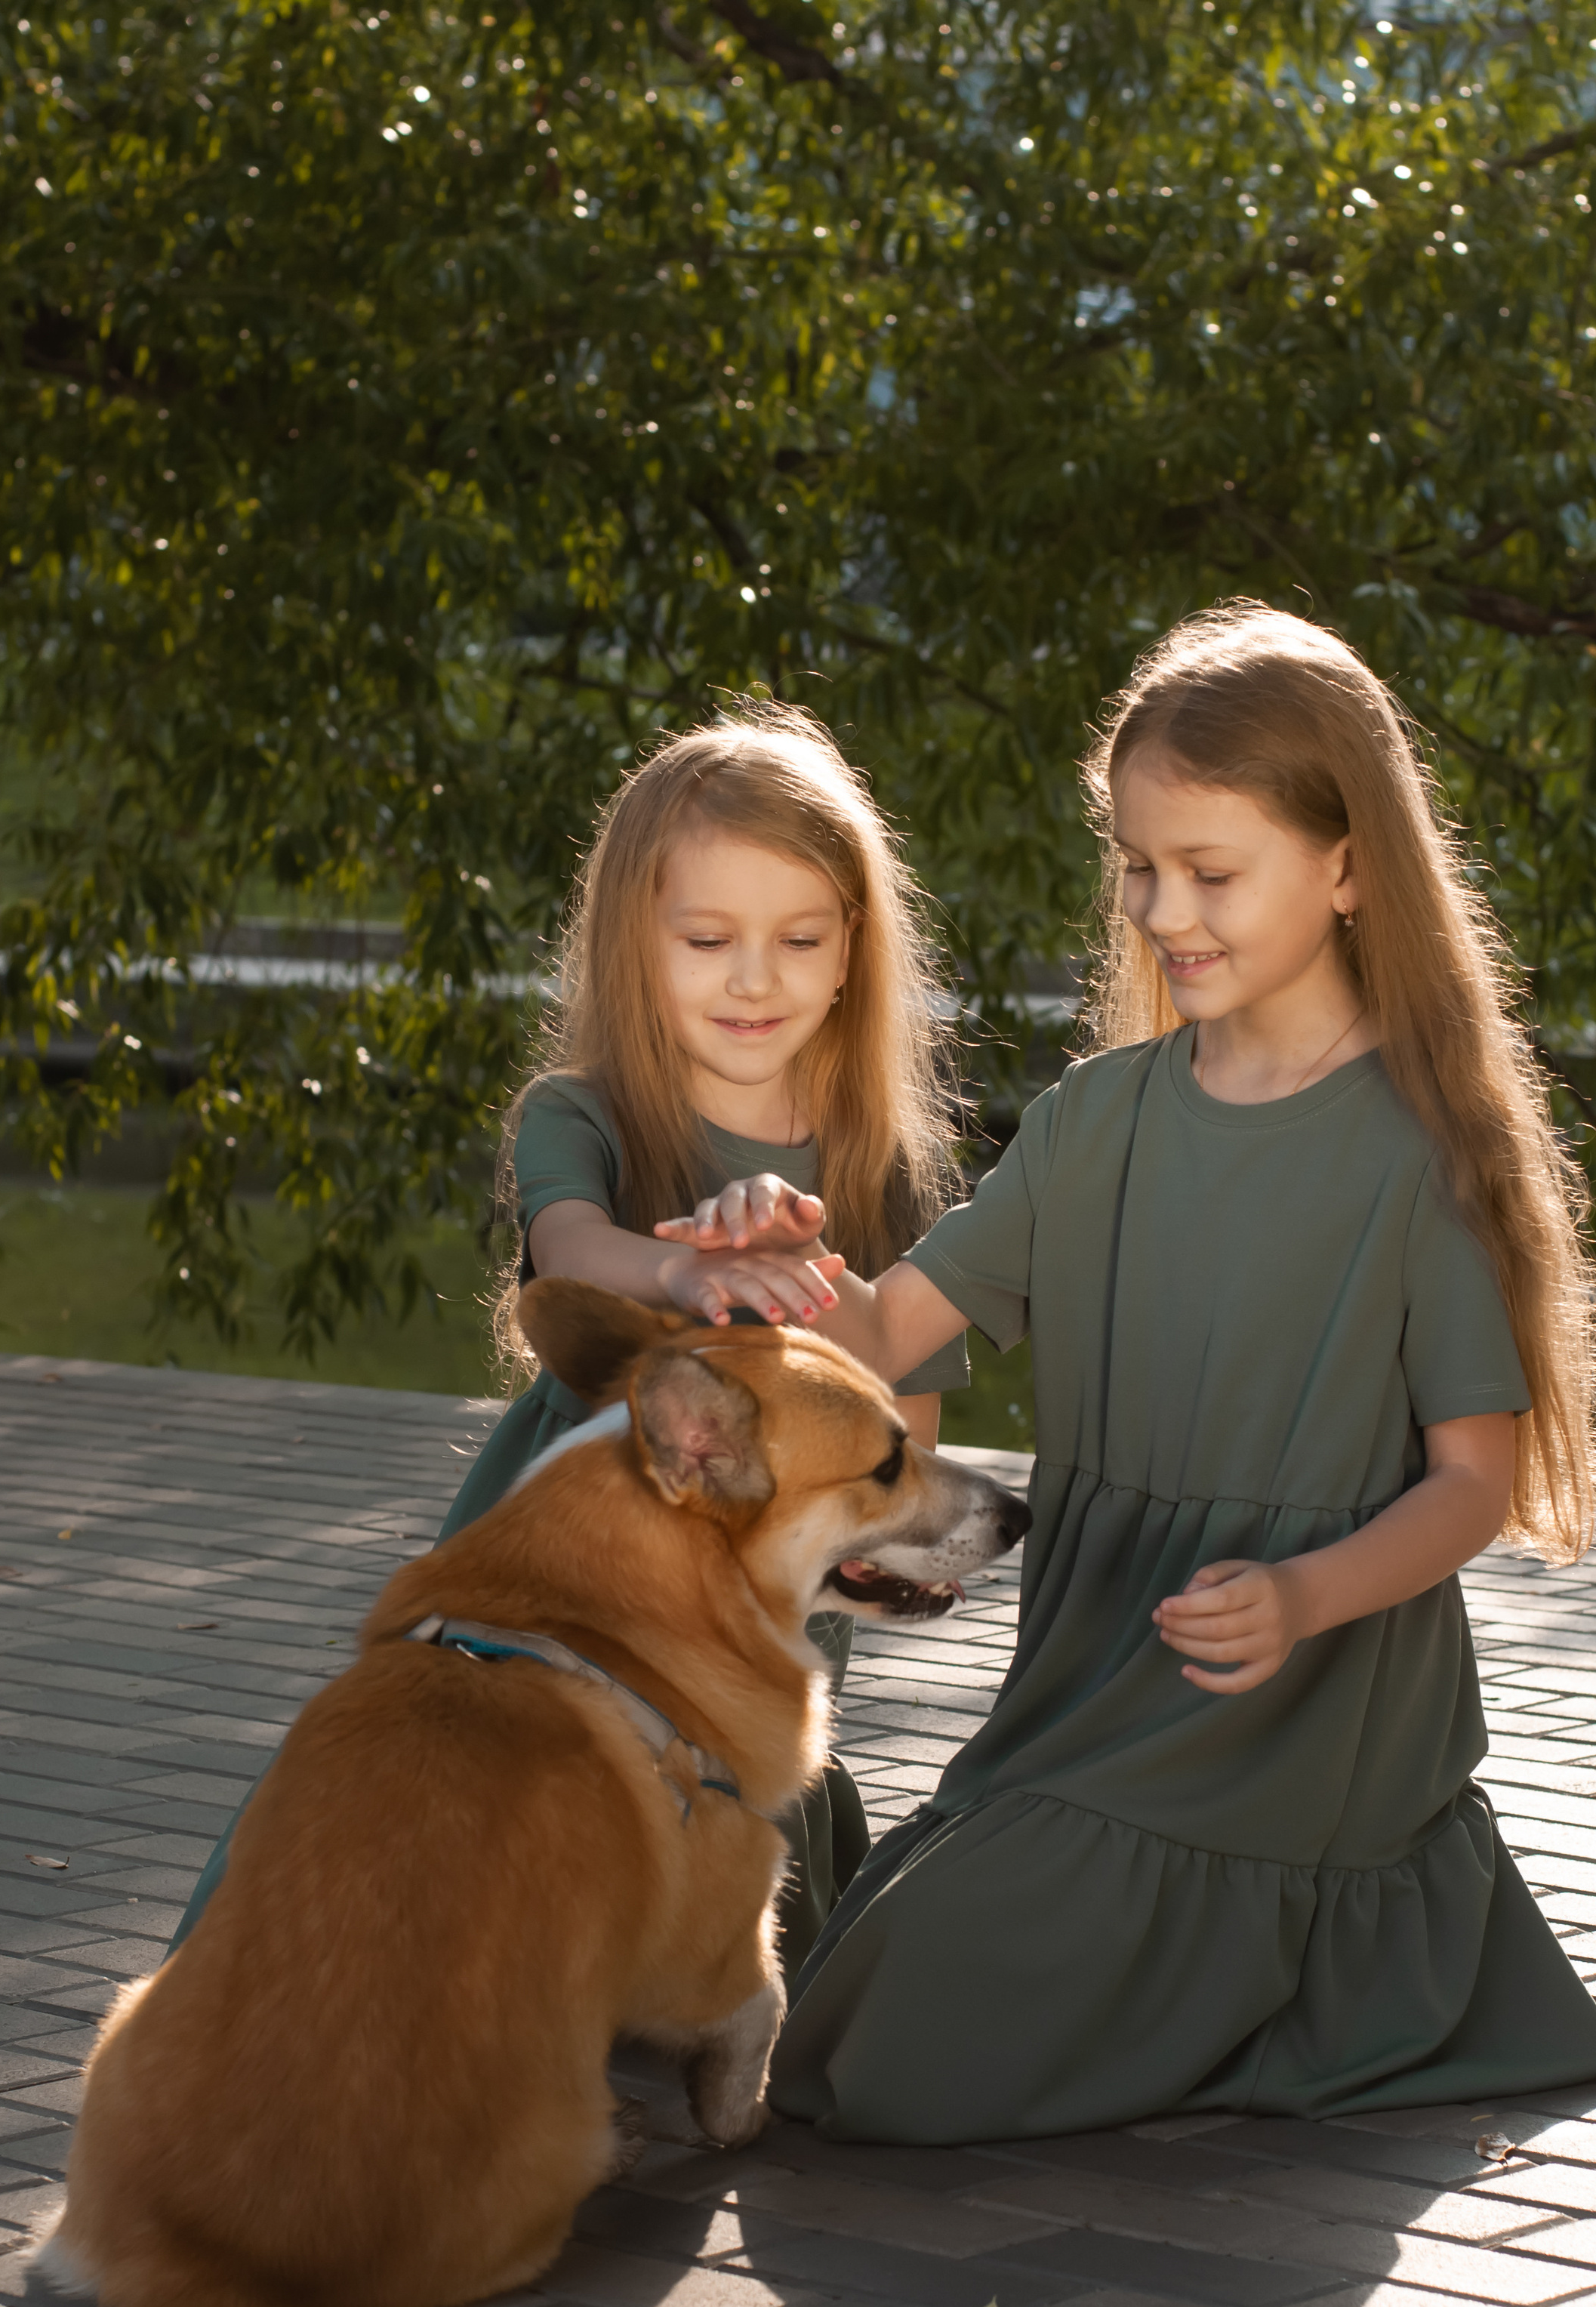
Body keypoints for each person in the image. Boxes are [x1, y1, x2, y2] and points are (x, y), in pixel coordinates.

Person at [661, 604, 1596, 2139]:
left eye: (1211, 871)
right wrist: (759, 1272)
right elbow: (887, 1326)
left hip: (1304, 1724)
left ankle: (1306, 1971)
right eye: (1141, 866)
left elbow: (1473, 1488)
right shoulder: (1098, 1120)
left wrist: (1298, 1598)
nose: (1166, 908)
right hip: (1091, 1688)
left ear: (1349, 865)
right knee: (859, 1998)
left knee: (888, 2049)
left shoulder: (1418, 1159)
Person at [169, 703, 968, 1973]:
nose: (751, 977)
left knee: (719, 1872)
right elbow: (569, 1249)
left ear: (849, 951)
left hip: (759, 1605)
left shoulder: (873, 1171)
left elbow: (907, 1431)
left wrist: (814, 1274)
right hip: (575, 1579)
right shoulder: (577, 1112)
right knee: (474, 1810)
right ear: (630, 943)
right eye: (706, 938)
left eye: (796, 938)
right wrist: (687, 1265)